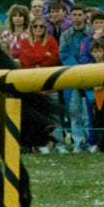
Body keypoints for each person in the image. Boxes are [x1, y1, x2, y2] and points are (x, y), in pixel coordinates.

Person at [19, 16, 65, 153]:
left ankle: (60, 144)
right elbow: (26, 60)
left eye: (41, 26)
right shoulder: (24, 42)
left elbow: (55, 58)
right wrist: (45, 55)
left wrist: (37, 58)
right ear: (31, 28)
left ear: (45, 29)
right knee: (35, 116)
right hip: (31, 85)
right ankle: (41, 145)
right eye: (35, 26)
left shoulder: (51, 40)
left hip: (50, 84)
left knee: (55, 115)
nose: (38, 29)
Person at [59, 3, 93, 152]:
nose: (77, 18)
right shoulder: (65, 35)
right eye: (74, 15)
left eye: (80, 15)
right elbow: (64, 55)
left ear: (85, 16)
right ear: (70, 16)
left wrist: (85, 67)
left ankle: (90, 141)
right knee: (74, 112)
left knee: (88, 112)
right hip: (72, 77)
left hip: (90, 76)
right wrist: (77, 68)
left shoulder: (92, 33)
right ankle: (77, 143)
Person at [84, 39, 104, 152]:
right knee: (96, 120)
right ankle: (99, 143)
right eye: (95, 51)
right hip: (94, 97)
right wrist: (94, 86)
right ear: (91, 53)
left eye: (99, 51)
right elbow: (85, 82)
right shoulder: (89, 66)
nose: (97, 54)